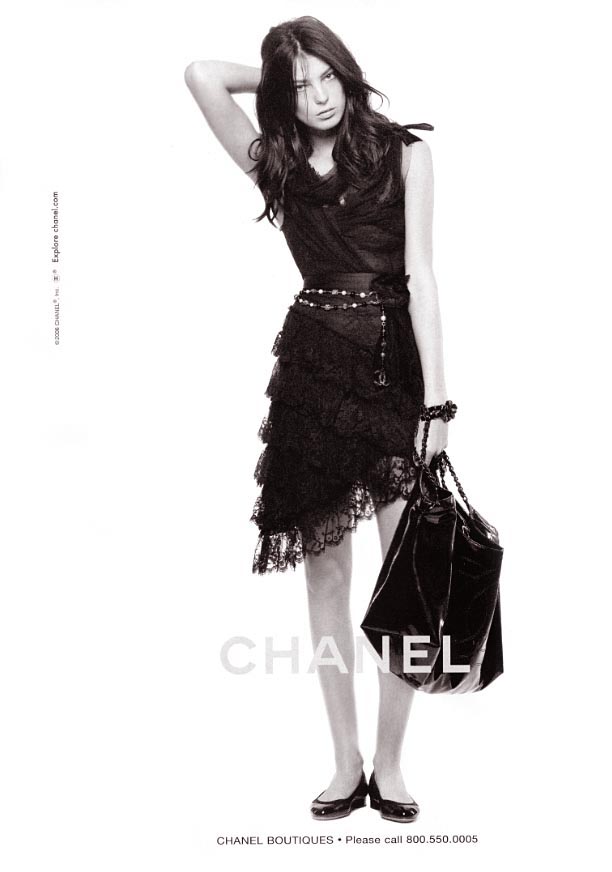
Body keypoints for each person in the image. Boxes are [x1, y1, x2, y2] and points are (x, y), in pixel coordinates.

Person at [185, 15, 456, 823]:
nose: (319, 97)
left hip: (393, 375)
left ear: (347, 71)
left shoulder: (407, 154)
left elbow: (422, 278)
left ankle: (392, 764)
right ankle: (345, 763)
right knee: (326, 577)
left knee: (402, 575)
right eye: (299, 87)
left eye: (327, 76)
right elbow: (201, 74)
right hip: (313, 373)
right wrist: (276, 78)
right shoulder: (273, 162)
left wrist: (438, 403)